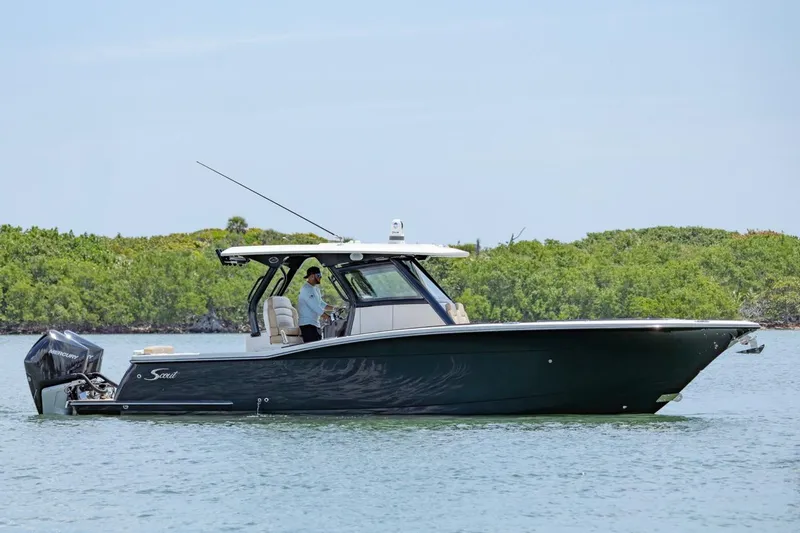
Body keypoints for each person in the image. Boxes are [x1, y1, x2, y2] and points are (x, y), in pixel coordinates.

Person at [297, 266, 334, 342]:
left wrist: (335, 308)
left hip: (315, 324)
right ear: (312, 276)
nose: (320, 278)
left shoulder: (315, 289)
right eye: (318, 276)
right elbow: (314, 306)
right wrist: (326, 316)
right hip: (307, 325)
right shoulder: (306, 289)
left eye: (320, 276)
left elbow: (321, 304)